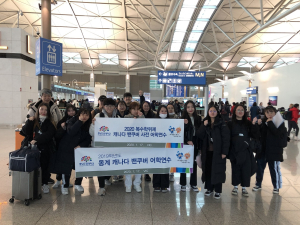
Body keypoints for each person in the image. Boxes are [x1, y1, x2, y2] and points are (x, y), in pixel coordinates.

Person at [51, 109, 92, 195]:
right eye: (82, 114)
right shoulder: (72, 121)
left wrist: (81, 145)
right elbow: (71, 132)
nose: (84, 117)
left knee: (81, 166)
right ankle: (65, 185)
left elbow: (89, 138)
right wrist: (79, 121)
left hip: (79, 149)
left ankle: (78, 183)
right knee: (66, 167)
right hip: (67, 148)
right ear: (79, 115)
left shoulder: (89, 125)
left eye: (87, 115)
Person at [22, 103, 56, 194]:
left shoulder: (50, 122)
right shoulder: (34, 120)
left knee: (44, 166)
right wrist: (29, 121)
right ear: (38, 110)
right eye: (41, 109)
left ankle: (44, 183)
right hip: (32, 149)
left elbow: (49, 134)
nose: (43, 112)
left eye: (45, 110)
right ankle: (34, 184)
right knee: (33, 166)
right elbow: (25, 132)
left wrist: (37, 140)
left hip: (45, 149)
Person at [197, 105, 230, 199]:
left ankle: (218, 190)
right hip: (207, 152)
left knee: (218, 170)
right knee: (208, 170)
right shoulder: (205, 123)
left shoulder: (221, 123)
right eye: (210, 110)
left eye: (214, 111)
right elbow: (199, 135)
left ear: (217, 112)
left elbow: (226, 139)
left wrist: (224, 152)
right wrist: (204, 126)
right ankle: (209, 188)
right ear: (208, 112)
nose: (212, 112)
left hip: (218, 152)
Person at [227, 104, 260, 197]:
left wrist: (254, 125)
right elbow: (227, 137)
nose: (240, 112)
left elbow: (255, 135)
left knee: (246, 169)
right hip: (234, 150)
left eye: (242, 110)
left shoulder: (248, 123)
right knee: (236, 169)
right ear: (235, 112)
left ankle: (244, 187)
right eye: (238, 110)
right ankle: (235, 187)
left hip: (246, 150)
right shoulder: (230, 123)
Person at [253, 106, 286, 194]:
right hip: (263, 150)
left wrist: (270, 123)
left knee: (274, 168)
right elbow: (258, 135)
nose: (269, 114)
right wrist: (258, 125)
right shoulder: (263, 122)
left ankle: (276, 186)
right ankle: (258, 183)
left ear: (275, 113)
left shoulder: (279, 123)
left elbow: (278, 134)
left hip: (274, 150)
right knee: (259, 167)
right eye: (267, 112)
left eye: (271, 112)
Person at [89, 98, 118, 195]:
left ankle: (106, 178)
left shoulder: (117, 118)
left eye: (111, 106)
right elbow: (91, 132)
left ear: (114, 107)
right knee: (100, 166)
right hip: (100, 146)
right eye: (107, 106)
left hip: (112, 146)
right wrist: (93, 124)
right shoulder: (99, 116)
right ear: (104, 106)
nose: (109, 108)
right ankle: (101, 187)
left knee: (111, 164)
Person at [52, 105, 77, 190]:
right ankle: (58, 180)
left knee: (68, 165)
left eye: (73, 110)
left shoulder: (77, 120)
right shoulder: (62, 121)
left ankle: (66, 181)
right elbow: (57, 135)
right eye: (69, 111)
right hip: (62, 146)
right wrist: (62, 128)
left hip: (71, 146)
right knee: (60, 164)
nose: (71, 112)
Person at [180, 100, 202, 192]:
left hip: (195, 143)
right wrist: (186, 141)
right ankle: (183, 184)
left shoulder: (198, 118)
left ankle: (193, 184)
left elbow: (200, 132)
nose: (190, 109)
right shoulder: (182, 118)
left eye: (192, 107)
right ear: (185, 108)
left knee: (194, 164)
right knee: (184, 163)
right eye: (188, 107)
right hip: (185, 143)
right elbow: (179, 133)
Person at [124, 102, 145, 193]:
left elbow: (145, 127)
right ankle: (128, 184)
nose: (136, 111)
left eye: (138, 109)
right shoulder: (125, 118)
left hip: (139, 145)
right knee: (128, 164)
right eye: (134, 109)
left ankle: (137, 183)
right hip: (128, 145)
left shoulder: (142, 117)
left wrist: (141, 117)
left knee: (139, 164)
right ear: (130, 110)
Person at [153, 105, 170, 193]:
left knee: (165, 165)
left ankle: (164, 185)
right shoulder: (154, 122)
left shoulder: (170, 122)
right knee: (157, 165)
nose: (163, 113)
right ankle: (156, 185)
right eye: (161, 111)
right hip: (156, 146)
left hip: (166, 147)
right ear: (158, 112)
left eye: (165, 111)